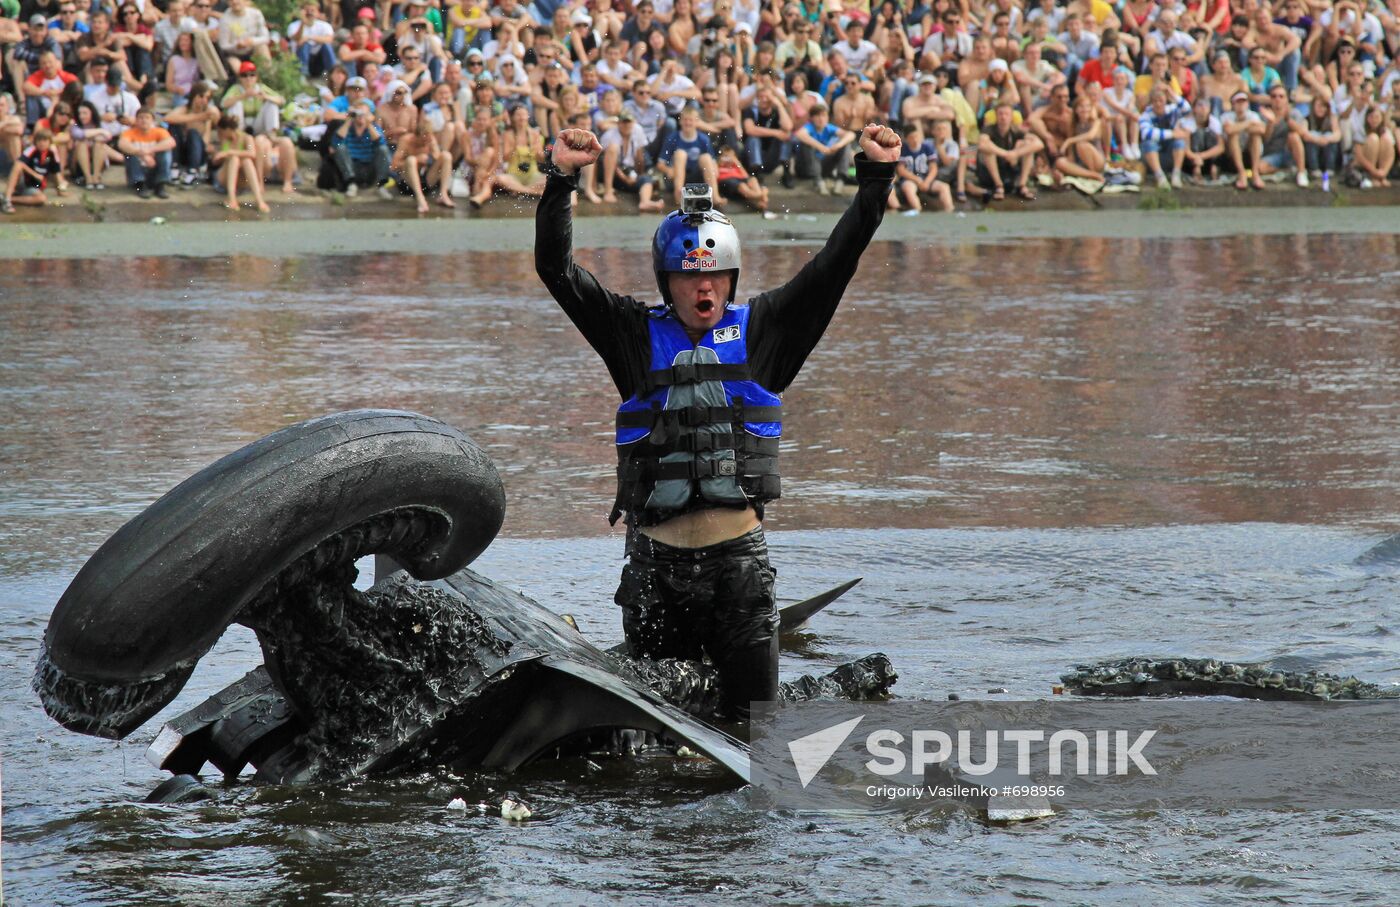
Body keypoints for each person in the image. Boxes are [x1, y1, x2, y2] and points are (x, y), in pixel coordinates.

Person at [534, 121, 900, 720]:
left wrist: (876, 177)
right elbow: (557, 270)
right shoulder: (631, 335)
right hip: (655, 578)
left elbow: (838, 262)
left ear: (730, 280)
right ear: (666, 282)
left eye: (714, 276)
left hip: (739, 576)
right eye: (688, 276)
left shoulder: (766, 332)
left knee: (754, 733)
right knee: (654, 743)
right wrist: (561, 179)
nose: (703, 287)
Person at [210, 112, 270, 210]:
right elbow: (217, 162)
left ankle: (259, 200)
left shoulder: (247, 138)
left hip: (242, 181)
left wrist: (229, 152)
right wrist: (218, 155)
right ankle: (231, 198)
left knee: (246, 160)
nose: (219, 134)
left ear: (228, 130)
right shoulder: (224, 141)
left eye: (221, 131)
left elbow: (252, 153)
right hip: (225, 179)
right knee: (234, 159)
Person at [794, 101, 855, 193]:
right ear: (812, 118)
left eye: (823, 115)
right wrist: (821, 147)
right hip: (805, 168)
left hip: (822, 166)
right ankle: (818, 182)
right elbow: (799, 134)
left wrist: (838, 145)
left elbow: (851, 135)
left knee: (845, 143)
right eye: (817, 116)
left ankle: (840, 180)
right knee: (807, 144)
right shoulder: (809, 127)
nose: (821, 119)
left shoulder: (828, 127)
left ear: (827, 117)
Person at [116, 105, 175, 198]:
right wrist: (142, 154)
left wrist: (149, 150)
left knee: (165, 152)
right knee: (128, 154)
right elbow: (122, 144)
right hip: (138, 169)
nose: (144, 120)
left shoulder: (159, 131)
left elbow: (171, 142)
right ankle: (140, 186)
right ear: (136, 120)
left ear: (152, 120)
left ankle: (161, 185)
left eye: (147, 117)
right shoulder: (129, 132)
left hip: (154, 167)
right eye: (140, 118)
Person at [2, 126, 60, 213]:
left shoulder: (52, 153)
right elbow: (19, 162)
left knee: (41, 199)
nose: (42, 143)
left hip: (34, 187)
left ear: (49, 142)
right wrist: (34, 174)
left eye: (45, 140)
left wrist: (60, 189)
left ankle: (9, 199)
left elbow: (56, 172)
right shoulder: (31, 150)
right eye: (39, 140)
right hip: (22, 181)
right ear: (35, 142)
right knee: (17, 166)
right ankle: (7, 200)